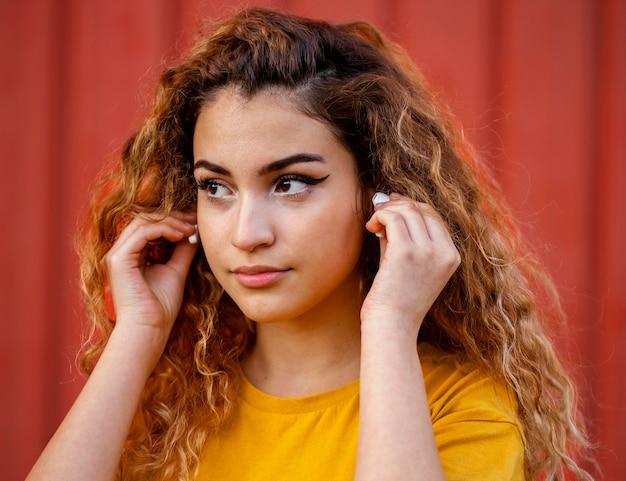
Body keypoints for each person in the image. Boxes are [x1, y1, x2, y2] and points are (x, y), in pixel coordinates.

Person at [27, 7, 593, 481]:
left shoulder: (461, 406)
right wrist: (138, 335)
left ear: (378, 190)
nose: (246, 234)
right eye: (215, 187)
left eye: (290, 183)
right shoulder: (166, 405)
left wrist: (391, 322)